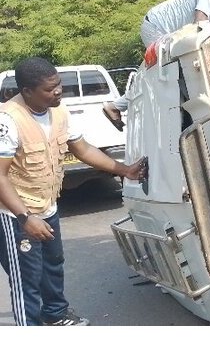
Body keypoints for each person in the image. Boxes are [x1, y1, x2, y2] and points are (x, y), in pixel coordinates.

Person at [0, 56, 147, 326]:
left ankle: (55, 315)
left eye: (58, 85)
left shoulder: (59, 111)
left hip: (48, 206)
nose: (58, 92)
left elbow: (83, 150)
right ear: (27, 91)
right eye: (49, 89)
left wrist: (123, 169)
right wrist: (24, 218)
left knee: (53, 263)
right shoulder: (8, 121)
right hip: (14, 214)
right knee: (26, 279)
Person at [101, 0, 210, 130]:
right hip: (156, 28)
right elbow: (198, 26)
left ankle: (118, 106)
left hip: (168, 33)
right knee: (163, 74)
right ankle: (116, 106)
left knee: (170, 73)